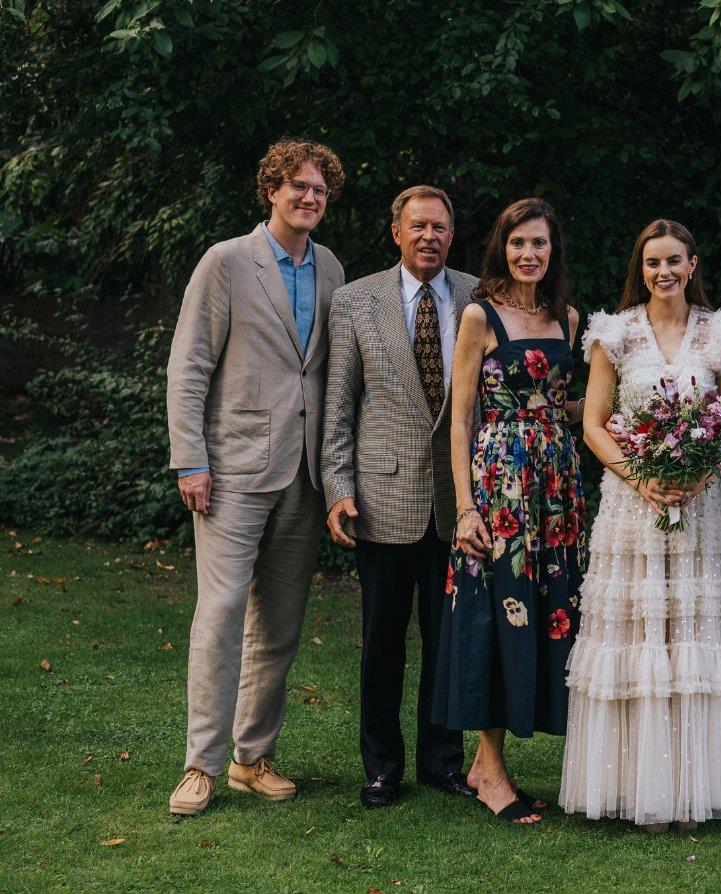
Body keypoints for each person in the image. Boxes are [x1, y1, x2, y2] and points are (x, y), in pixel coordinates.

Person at [560, 219, 721, 832]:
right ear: (640, 268)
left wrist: (699, 477)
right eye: (652, 262)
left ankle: (696, 788)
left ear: (692, 264)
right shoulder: (614, 334)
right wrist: (639, 476)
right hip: (633, 507)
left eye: (674, 260)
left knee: (693, 634)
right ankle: (633, 788)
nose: (663, 272)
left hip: (701, 509)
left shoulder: (719, 331)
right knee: (641, 636)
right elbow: (595, 422)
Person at [165, 138, 346, 815]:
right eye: (297, 186)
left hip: (303, 474)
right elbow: (189, 366)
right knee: (220, 614)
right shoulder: (226, 262)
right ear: (270, 190)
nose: (309, 198)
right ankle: (200, 766)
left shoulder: (329, 267)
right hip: (232, 469)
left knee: (281, 625)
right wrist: (191, 460)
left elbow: (323, 371)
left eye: (320, 190)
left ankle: (252, 758)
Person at [320, 186, 477, 809]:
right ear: (396, 233)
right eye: (418, 226)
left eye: (440, 228)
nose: (429, 237)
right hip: (383, 498)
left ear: (451, 234)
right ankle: (382, 767)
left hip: (457, 499)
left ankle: (443, 761)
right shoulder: (357, 301)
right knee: (383, 642)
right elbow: (339, 403)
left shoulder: (475, 295)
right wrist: (337, 486)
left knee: (450, 642)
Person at [432, 197, 584, 824]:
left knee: (547, 613)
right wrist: (465, 507)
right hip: (500, 489)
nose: (530, 254)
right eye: (519, 243)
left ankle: (490, 763)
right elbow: (461, 416)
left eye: (540, 244)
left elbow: (567, 404)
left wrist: (644, 421)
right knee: (498, 615)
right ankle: (488, 768)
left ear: (553, 252)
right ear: (502, 247)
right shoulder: (479, 315)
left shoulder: (567, 317)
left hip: (557, 489)